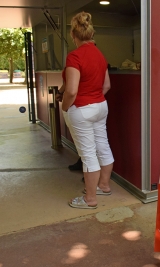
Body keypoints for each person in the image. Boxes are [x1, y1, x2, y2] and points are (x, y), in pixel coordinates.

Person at [58, 11, 114, 209]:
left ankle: (90, 199)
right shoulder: (100, 54)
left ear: (74, 35)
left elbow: (71, 90)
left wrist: (64, 107)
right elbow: (106, 86)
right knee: (102, 146)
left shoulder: (75, 56)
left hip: (81, 108)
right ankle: (104, 186)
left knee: (88, 154)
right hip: (100, 106)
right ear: (91, 34)